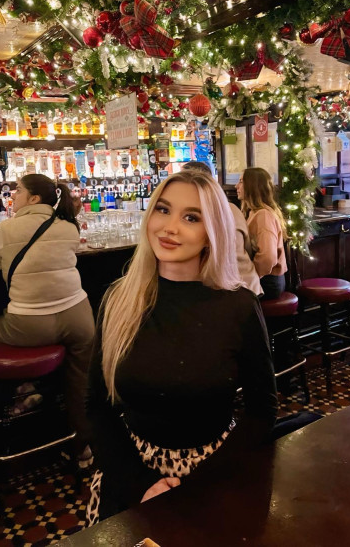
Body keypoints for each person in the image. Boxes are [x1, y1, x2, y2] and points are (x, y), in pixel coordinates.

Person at [86, 170, 277, 524]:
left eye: (191, 217)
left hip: (216, 471)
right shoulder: (118, 299)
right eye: (163, 210)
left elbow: (262, 411)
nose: (169, 227)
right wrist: (140, 484)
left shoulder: (238, 306)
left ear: (211, 232)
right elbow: (97, 406)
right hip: (131, 472)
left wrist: (198, 485)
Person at [0, 174, 95, 467]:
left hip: (29, 324)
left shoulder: (6, 228)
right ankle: (82, 448)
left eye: (18, 190)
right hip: (80, 317)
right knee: (80, 383)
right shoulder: (69, 226)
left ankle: (24, 391)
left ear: (34, 199)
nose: (12, 194)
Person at [182, 161, 262, 295]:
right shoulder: (232, 208)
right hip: (248, 284)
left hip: (228, 289)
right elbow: (247, 248)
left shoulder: (198, 213)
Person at [237, 167, 287, 299]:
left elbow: (268, 258)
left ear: (253, 186)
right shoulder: (253, 212)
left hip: (268, 282)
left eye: (241, 181)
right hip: (266, 278)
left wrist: (251, 277)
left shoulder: (263, 215)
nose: (236, 186)